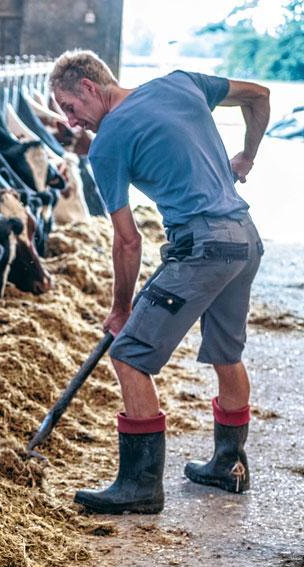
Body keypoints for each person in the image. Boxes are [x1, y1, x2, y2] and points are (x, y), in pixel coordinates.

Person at [48, 50, 270, 514]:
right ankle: (230, 466)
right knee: (227, 353)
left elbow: (128, 242)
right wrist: (247, 155)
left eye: (69, 107)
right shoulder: (183, 82)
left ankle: (140, 485)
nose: (72, 122)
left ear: (90, 87)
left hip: (202, 247)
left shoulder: (108, 142)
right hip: (244, 239)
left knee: (129, 355)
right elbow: (259, 96)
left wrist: (121, 308)